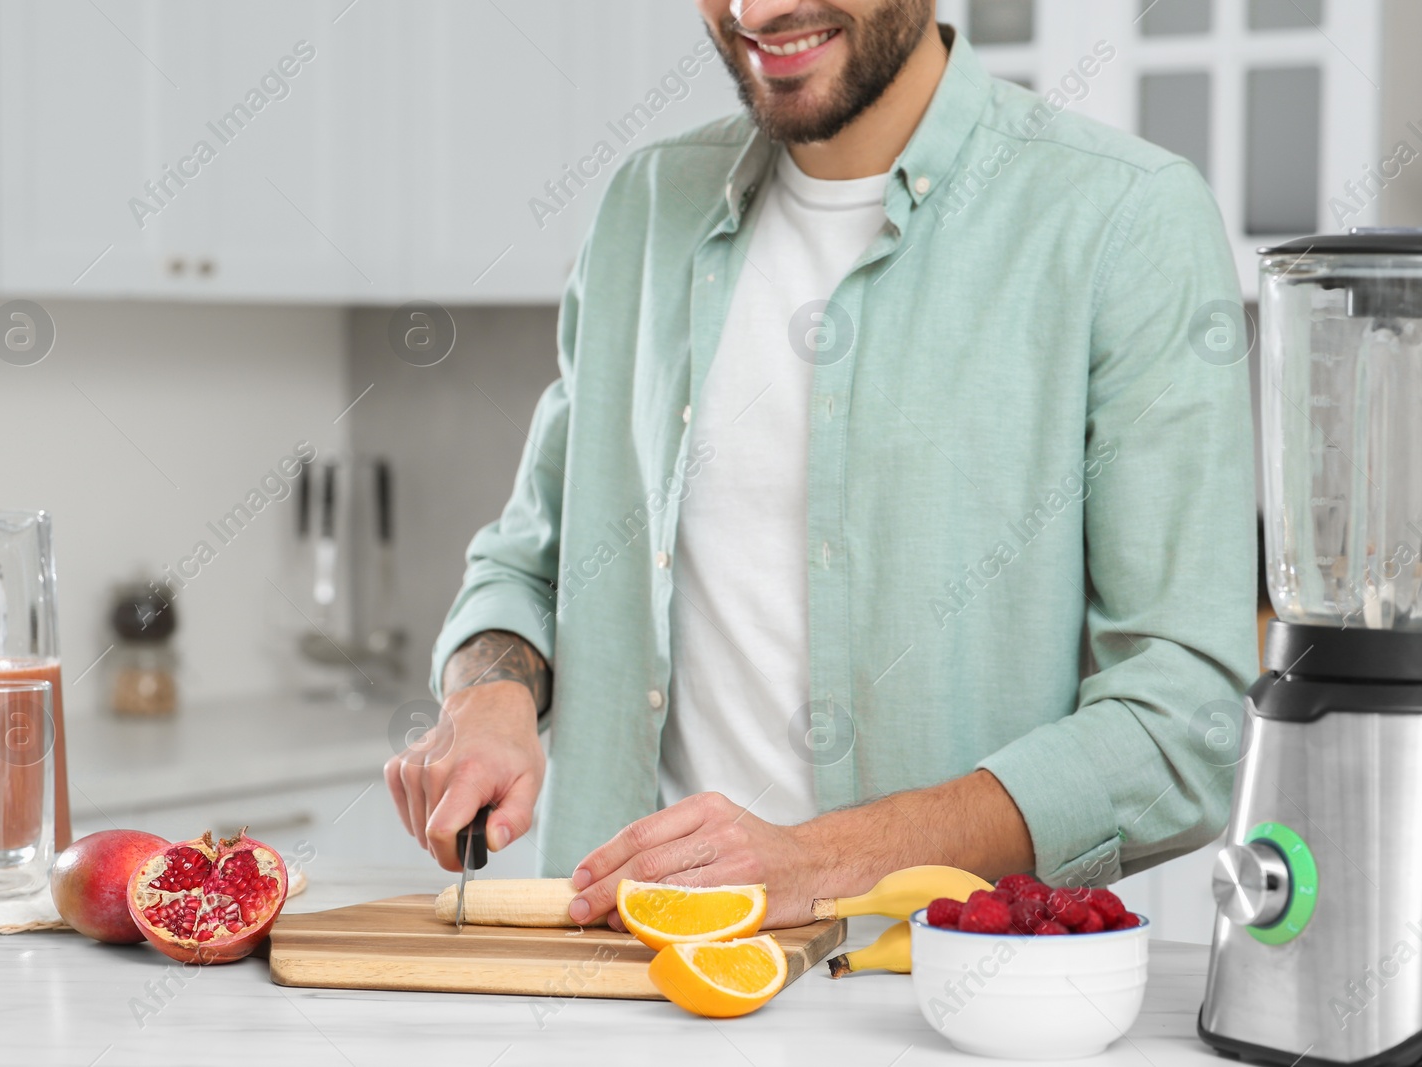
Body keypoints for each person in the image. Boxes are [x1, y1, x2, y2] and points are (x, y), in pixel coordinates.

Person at [384, 0, 1256, 929]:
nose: (756, 12)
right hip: (606, 988)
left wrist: (818, 861)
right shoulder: (646, 207)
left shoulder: (1123, 218)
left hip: (924, 1000)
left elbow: (1181, 727)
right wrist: (491, 694)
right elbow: (532, 564)